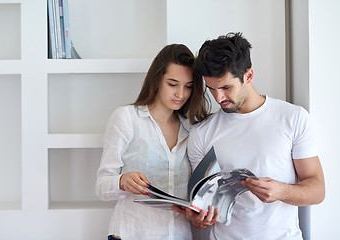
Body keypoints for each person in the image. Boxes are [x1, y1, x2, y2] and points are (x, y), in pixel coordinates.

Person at [173, 32, 325, 239]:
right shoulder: (202, 132)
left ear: (248, 75)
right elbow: (201, 204)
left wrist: (282, 191)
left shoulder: (292, 118)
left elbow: (317, 190)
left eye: (226, 87)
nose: (219, 98)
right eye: (211, 89)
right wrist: (198, 220)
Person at [95, 44, 209, 240]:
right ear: (157, 80)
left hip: (179, 235)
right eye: (172, 84)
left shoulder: (193, 128)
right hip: (132, 233)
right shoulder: (127, 118)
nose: (180, 94)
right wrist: (122, 181)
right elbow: (101, 187)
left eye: (188, 86)